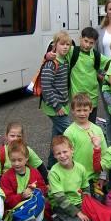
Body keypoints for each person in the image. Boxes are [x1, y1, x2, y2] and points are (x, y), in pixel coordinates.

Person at [0, 140, 50, 221]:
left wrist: (35, 191)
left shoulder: (34, 172)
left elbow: (43, 188)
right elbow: (7, 199)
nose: (16, 163)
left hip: (33, 210)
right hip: (16, 212)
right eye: (13, 160)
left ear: (26, 159)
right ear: (9, 159)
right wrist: (22, 196)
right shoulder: (6, 176)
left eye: (20, 160)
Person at [41, 30, 72, 169]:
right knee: (71, 133)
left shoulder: (64, 60)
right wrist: (57, 106)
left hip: (62, 104)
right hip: (55, 107)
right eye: (62, 44)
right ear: (55, 45)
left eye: (68, 44)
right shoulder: (51, 63)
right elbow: (46, 87)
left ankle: (50, 167)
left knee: (56, 137)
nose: (65, 47)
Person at [48, 136, 92, 221]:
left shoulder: (80, 168)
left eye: (65, 152)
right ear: (54, 156)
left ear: (72, 150)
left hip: (78, 202)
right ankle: (56, 218)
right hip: (60, 205)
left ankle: (76, 216)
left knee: (94, 217)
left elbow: (86, 189)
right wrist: (78, 213)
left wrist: (88, 205)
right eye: (58, 153)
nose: (62, 156)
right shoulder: (54, 172)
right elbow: (60, 198)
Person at [64, 93, 107, 187]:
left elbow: (104, 154)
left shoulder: (97, 130)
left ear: (91, 109)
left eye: (85, 110)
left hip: (95, 177)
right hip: (77, 178)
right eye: (78, 110)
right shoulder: (69, 132)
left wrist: (103, 176)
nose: (82, 113)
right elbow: (67, 157)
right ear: (73, 111)